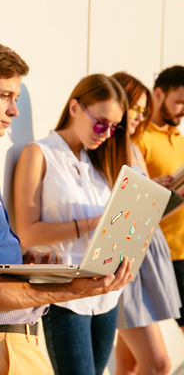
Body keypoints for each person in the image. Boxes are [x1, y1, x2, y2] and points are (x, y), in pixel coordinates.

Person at [0, 42, 133, 375]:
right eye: (5, 96)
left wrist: (22, 262)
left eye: (16, 98)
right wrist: (70, 288)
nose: (15, 111)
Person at [13, 74, 131, 375]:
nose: (106, 133)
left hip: (106, 293)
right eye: (101, 122)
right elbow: (27, 232)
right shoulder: (38, 154)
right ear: (75, 107)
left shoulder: (98, 163)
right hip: (65, 294)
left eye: (114, 127)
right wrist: (95, 223)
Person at [112, 72, 181, 375]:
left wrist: (163, 193)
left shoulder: (133, 146)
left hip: (146, 252)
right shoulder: (117, 146)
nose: (140, 116)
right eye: (135, 109)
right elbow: (117, 210)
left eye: (142, 110)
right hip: (127, 259)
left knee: (129, 364)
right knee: (159, 364)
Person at [137, 65, 184, 333]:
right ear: (158, 94)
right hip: (166, 255)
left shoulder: (181, 140)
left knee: (131, 362)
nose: (183, 109)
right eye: (178, 101)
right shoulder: (139, 138)